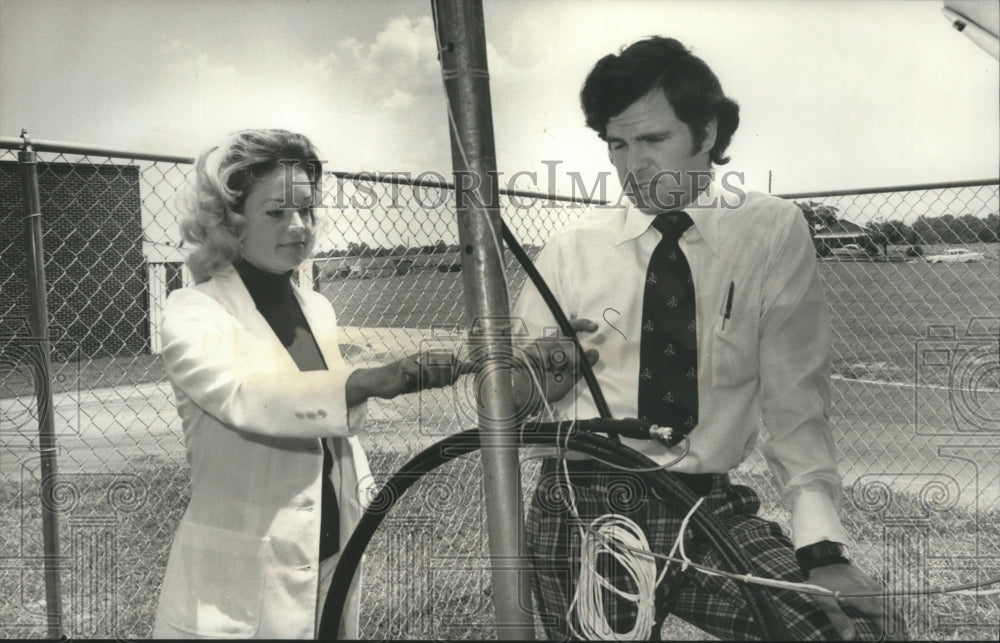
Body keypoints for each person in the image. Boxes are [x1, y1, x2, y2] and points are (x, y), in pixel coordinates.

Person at [513, 37, 901, 640]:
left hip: (706, 504)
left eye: (653, 140)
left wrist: (823, 551)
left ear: (709, 133)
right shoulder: (569, 252)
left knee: (850, 630)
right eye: (617, 144)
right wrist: (534, 379)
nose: (631, 165)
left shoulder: (770, 231)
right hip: (586, 507)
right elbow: (511, 402)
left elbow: (796, 401)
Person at [152, 129, 458, 639]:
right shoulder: (193, 311)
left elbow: (326, 431)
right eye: (276, 212)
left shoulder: (316, 306)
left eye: (308, 210)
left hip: (332, 546)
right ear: (229, 221)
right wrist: (367, 381)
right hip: (244, 572)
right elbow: (242, 397)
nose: (298, 226)